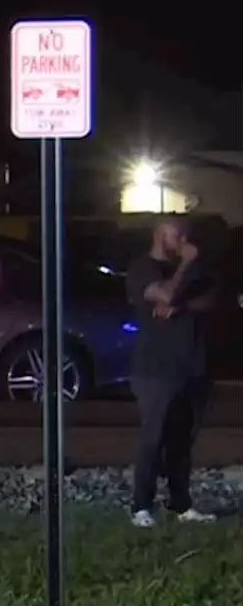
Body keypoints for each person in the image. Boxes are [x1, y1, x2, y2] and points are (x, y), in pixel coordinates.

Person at [125, 218, 217, 527]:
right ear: (159, 235)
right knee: (154, 438)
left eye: (186, 236)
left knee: (182, 440)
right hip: (156, 369)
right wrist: (185, 266)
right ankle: (141, 506)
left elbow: (212, 300)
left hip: (192, 365)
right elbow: (164, 295)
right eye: (176, 235)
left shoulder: (197, 268)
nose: (183, 241)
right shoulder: (142, 269)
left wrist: (181, 308)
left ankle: (180, 503)